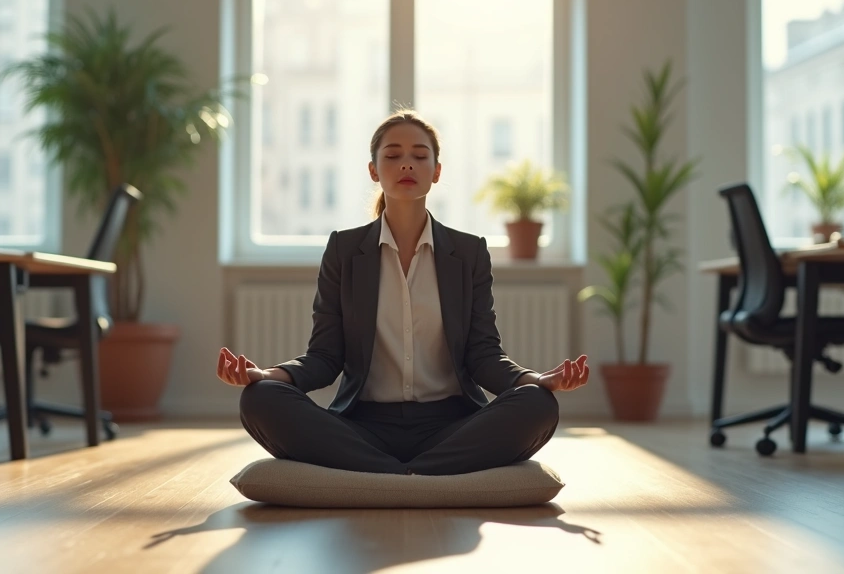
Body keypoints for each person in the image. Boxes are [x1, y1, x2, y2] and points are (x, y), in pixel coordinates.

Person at [218, 110, 589, 476]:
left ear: (437, 171)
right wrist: (267, 375)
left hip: (450, 427)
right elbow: (325, 357)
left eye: (420, 156)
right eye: (393, 155)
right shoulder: (344, 250)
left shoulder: (469, 252)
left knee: (538, 404)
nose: (407, 164)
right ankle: (415, 475)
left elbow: (484, 356)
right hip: (364, 426)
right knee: (261, 398)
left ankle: (388, 474)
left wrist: (536, 381)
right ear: (374, 171)